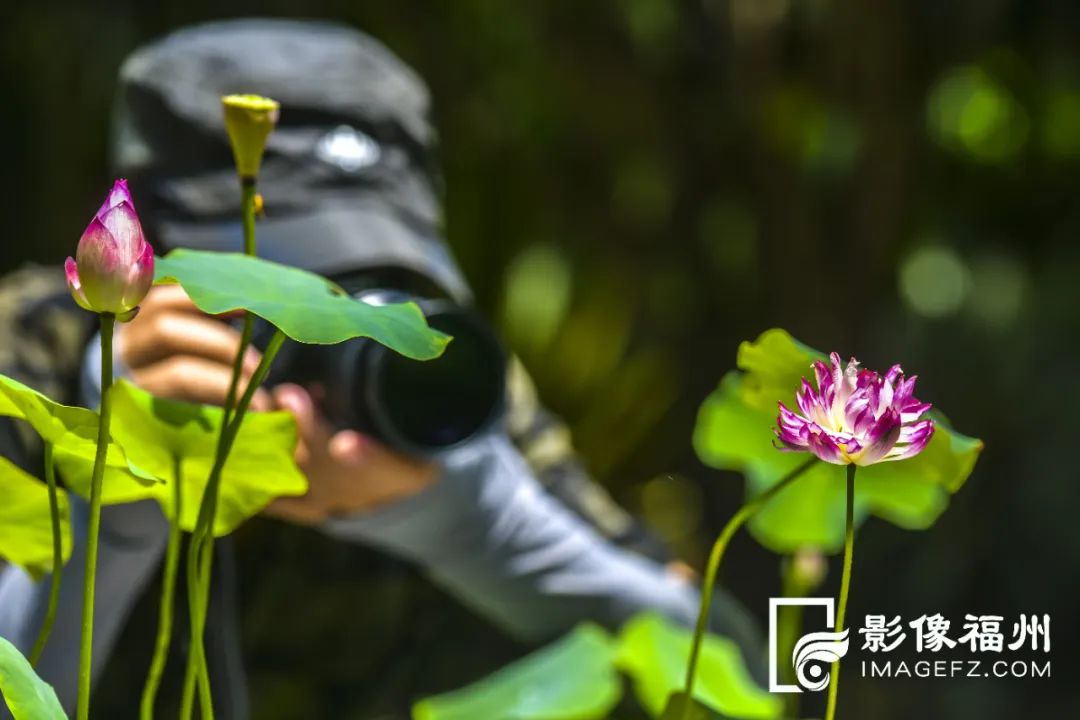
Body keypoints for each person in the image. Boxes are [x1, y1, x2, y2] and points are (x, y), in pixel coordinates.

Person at [0, 19, 761, 719]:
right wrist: (120, 500)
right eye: (270, 294)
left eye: (366, 291)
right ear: (145, 257)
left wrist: (477, 526)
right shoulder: (38, 349)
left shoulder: (429, 367)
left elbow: (744, 680)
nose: (336, 332)